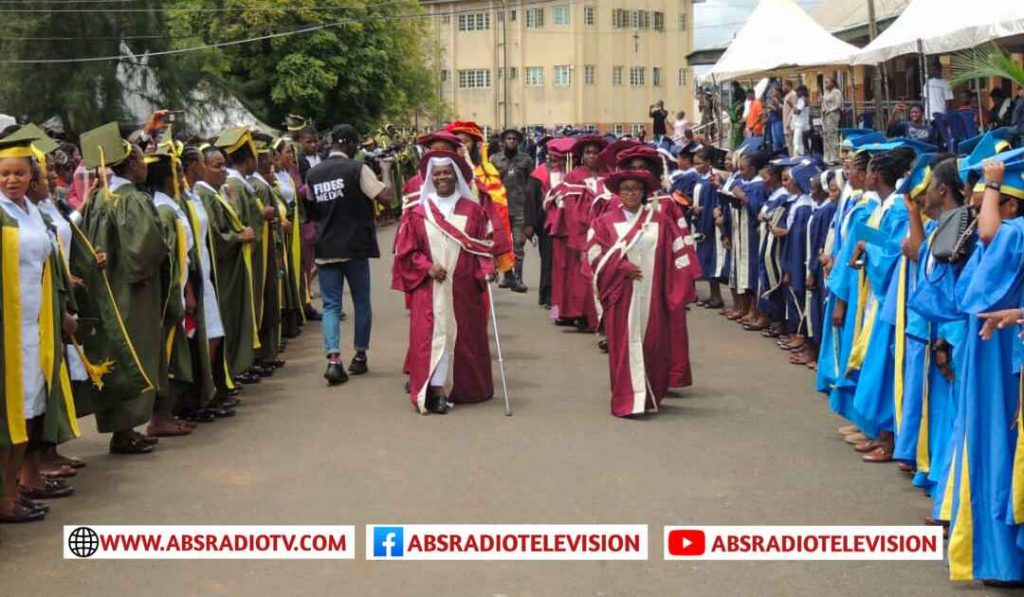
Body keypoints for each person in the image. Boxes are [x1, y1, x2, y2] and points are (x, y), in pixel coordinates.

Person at [78, 123, 169, 455]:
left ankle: (123, 429)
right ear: (130, 165)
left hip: (106, 288)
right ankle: (125, 431)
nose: (146, 166)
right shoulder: (131, 199)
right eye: (143, 160)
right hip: (133, 292)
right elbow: (145, 249)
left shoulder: (97, 198)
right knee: (135, 354)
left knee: (116, 353)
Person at [392, 150, 494, 414]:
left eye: (447, 172)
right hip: (431, 289)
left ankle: (461, 388)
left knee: (462, 337)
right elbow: (407, 251)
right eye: (436, 174)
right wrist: (426, 267)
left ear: (456, 175)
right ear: (430, 178)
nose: (442, 178)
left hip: (463, 289)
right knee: (432, 338)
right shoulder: (419, 213)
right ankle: (435, 390)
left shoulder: (473, 210)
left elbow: (484, 248)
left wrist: (486, 271)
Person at [586, 169, 695, 417]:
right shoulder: (604, 221)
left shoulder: (659, 221)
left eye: (635, 188)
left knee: (654, 345)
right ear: (618, 193)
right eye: (625, 189)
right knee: (624, 346)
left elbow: (677, 254)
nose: (631, 193)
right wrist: (621, 266)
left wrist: (677, 292)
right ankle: (626, 399)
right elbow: (593, 254)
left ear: (644, 192)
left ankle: (649, 395)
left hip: (654, 293)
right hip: (620, 294)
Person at [304, 124, 388, 386]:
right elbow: (385, 197)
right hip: (354, 247)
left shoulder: (313, 174)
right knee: (361, 301)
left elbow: (312, 210)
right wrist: (385, 171)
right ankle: (360, 356)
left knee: (331, 305)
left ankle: (333, 360)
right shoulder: (357, 169)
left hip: (326, 248)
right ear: (350, 145)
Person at [489, 128, 534, 292]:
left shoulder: (526, 160)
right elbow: (489, 184)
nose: (512, 141)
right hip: (500, 208)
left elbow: (531, 185)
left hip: (520, 208)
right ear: (503, 141)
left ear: (519, 141)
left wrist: (531, 213)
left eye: (515, 139)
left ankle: (518, 278)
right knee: (502, 244)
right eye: (508, 138)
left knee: (518, 244)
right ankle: (507, 276)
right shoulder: (494, 160)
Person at [821, 78, 843, 164]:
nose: (825, 84)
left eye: (827, 82)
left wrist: (829, 110)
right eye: (825, 82)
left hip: (833, 116)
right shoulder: (825, 93)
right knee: (825, 136)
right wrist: (824, 109)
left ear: (832, 83)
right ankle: (827, 157)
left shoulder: (836, 92)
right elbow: (823, 103)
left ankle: (834, 157)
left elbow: (838, 104)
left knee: (832, 135)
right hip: (825, 116)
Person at [792, 85, 812, 157]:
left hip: (800, 124)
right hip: (804, 123)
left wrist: (791, 105)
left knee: (796, 142)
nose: (796, 93)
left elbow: (797, 111)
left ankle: (797, 156)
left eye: (797, 91)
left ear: (801, 92)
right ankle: (802, 155)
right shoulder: (805, 99)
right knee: (802, 142)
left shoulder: (802, 100)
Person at [782, 81, 797, 155]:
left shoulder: (793, 94)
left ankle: (793, 158)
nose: (783, 88)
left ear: (788, 85)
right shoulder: (787, 95)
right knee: (789, 143)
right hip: (785, 121)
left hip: (789, 122)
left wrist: (789, 121)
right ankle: (791, 157)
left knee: (791, 142)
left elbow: (793, 109)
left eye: (784, 86)